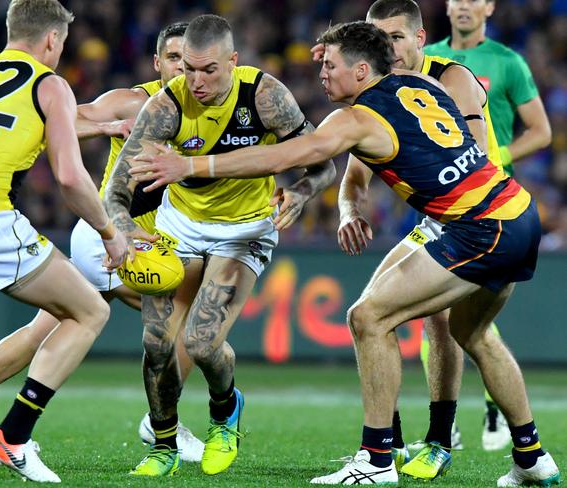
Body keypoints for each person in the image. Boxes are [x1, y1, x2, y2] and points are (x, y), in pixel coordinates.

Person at [131, 21, 561, 487]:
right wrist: (348, 46)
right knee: (471, 333)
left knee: (368, 318)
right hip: (515, 210)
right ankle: (531, 456)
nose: (321, 73)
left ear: (360, 71)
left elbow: (285, 157)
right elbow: (385, 106)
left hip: (479, 227)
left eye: (330, 65)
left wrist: (189, 165)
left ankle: (376, 460)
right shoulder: (416, 82)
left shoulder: (354, 119)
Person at [0, 21, 206, 465]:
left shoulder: (213, 109)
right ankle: (160, 422)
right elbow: (67, 118)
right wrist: (112, 124)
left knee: (48, 329)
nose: (185, 70)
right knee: (182, 320)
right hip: (107, 236)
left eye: (193, 61)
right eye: (174, 59)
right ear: (157, 64)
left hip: (145, 238)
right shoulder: (136, 99)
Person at [104, 14, 336, 477]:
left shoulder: (265, 97)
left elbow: (323, 164)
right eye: (188, 69)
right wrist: (122, 229)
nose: (197, 80)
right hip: (181, 226)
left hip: (244, 230)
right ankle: (163, 446)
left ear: (233, 60)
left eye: (208, 70)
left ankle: (225, 411)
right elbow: (115, 190)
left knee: (203, 343)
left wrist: (300, 192)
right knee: (157, 344)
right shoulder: (166, 106)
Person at [0, 0, 128, 483]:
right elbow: (72, 179)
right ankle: (12, 437)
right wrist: (110, 234)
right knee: (90, 311)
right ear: (53, 40)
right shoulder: (50, 83)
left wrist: (102, 127)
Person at [332, 0, 504, 479]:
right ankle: (389, 443)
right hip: (436, 217)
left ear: (420, 39)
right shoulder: (378, 93)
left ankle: (439, 440)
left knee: (441, 322)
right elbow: (353, 179)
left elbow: (477, 156)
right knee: (368, 314)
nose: (387, 47)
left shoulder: (452, 80)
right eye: (376, 38)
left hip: (483, 217)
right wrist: (350, 211)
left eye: (396, 37)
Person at [425, 0, 552, 451]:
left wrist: (499, 156)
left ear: (489, 7)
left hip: (489, 201)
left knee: (466, 315)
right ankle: (445, 426)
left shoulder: (508, 63)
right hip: (437, 197)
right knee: (434, 312)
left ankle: (492, 406)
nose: (463, 5)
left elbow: (541, 130)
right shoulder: (426, 58)